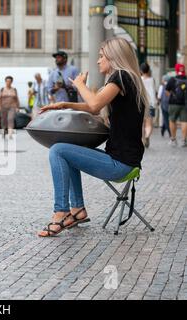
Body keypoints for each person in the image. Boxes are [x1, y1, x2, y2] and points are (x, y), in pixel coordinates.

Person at [37, 37, 149, 238]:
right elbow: (92, 106)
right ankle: (77, 211)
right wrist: (63, 105)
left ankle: (60, 213)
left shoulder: (121, 77)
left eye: (101, 56)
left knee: (57, 150)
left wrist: (80, 84)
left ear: (113, 57)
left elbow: (95, 105)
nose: (98, 61)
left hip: (120, 164)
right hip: (125, 160)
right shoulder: (128, 79)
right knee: (66, 149)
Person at [165, 63, 187, 147]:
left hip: (173, 104)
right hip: (184, 104)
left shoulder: (172, 79)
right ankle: (184, 141)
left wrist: (172, 96)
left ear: (176, 70)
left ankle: (173, 139)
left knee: (172, 120)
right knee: (184, 121)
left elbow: (167, 91)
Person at [140, 62, 157, 148]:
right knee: (149, 124)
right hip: (151, 103)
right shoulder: (152, 80)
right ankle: (147, 137)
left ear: (141, 70)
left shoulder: (139, 79)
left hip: (141, 103)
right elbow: (154, 91)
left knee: (142, 123)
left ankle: (143, 139)